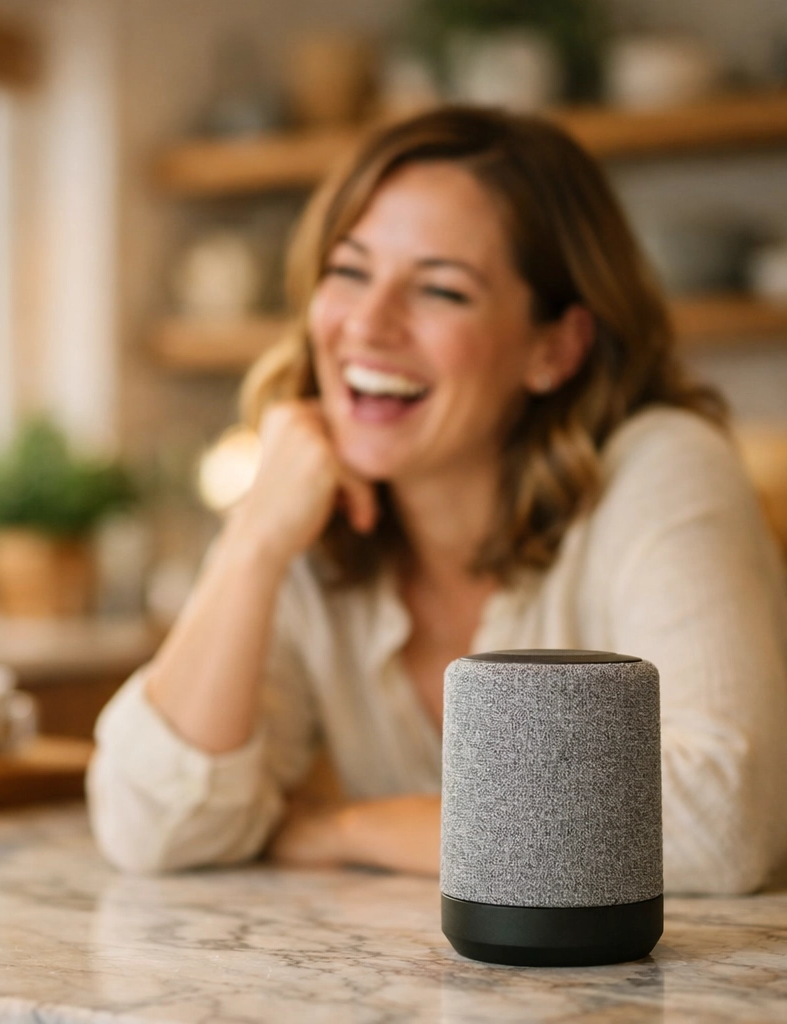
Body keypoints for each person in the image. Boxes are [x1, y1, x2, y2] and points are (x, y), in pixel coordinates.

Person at [87, 106, 787, 893]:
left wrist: (353, 826)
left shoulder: (663, 468)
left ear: (554, 347)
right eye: (349, 272)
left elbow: (722, 824)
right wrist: (254, 542)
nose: (368, 324)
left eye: (441, 291)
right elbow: (150, 825)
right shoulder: (308, 521)